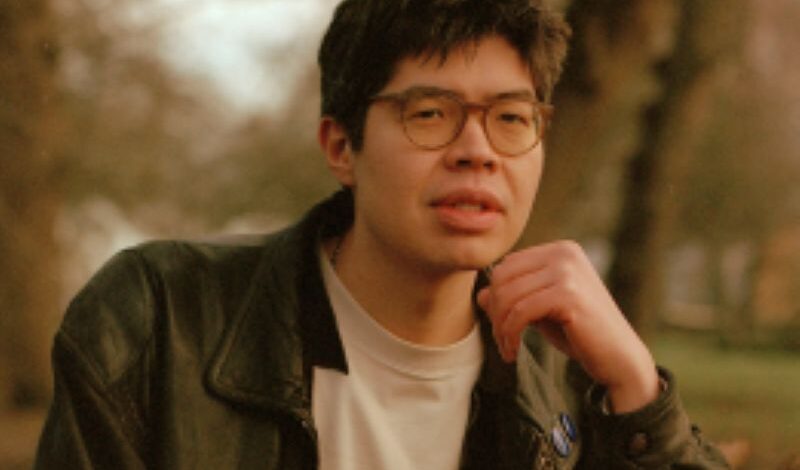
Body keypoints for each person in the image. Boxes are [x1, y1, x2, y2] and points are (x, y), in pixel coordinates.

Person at [35, 0, 731, 468]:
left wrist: (641, 395)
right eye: (429, 113)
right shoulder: (159, 321)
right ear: (342, 148)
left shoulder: (577, 380)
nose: (477, 150)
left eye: (513, 119)